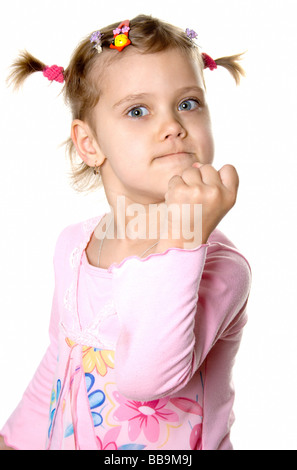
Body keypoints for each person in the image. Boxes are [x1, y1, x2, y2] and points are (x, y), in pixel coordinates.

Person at [0, 14, 251, 450]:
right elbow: (61, 363)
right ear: (89, 143)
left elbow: (147, 378)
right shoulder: (75, 247)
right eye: (138, 110)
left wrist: (183, 233)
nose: (173, 124)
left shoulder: (220, 267)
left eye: (188, 103)